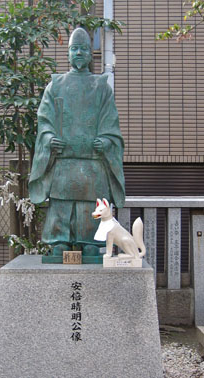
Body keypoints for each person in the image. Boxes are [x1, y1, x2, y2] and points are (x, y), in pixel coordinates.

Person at [29, 27, 125, 260]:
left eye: (83, 48)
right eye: (74, 48)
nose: (79, 53)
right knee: (61, 205)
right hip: (63, 162)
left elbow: (111, 124)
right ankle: (59, 240)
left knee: (91, 207)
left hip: (92, 163)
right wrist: (49, 138)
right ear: (68, 54)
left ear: (91, 54)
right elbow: (45, 120)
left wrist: (105, 140)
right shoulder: (55, 85)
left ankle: (91, 242)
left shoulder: (101, 87)